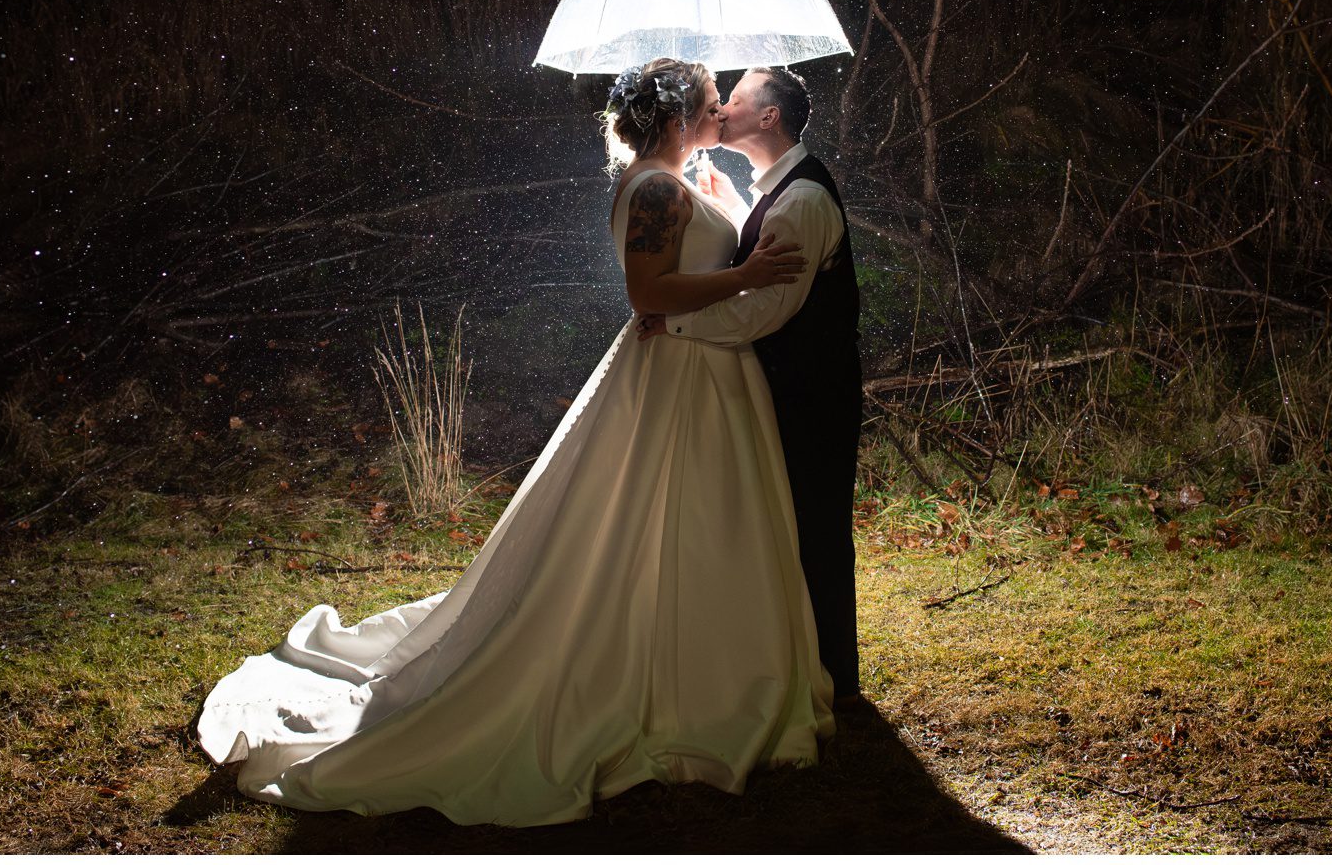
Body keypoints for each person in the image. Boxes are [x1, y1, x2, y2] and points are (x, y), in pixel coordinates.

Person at [194, 57, 834, 825]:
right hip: (678, 376)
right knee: (658, 522)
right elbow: (648, 293)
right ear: (674, 121)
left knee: (701, 529)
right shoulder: (657, 189)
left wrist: (725, 210)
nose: (719, 116)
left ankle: (700, 670)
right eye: (707, 106)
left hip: (707, 373)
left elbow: (687, 260)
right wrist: (744, 274)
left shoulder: (680, 181)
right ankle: (660, 683)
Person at [640, 65, 864, 701]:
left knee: (814, 527)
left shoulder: (803, 198)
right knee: (783, 526)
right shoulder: (778, 190)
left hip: (810, 392)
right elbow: (762, 255)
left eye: (734, 100)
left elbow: (767, 307)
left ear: (768, 118)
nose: (722, 109)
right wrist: (734, 207)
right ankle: (797, 664)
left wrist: (674, 323)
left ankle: (831, 680)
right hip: (790, 386)